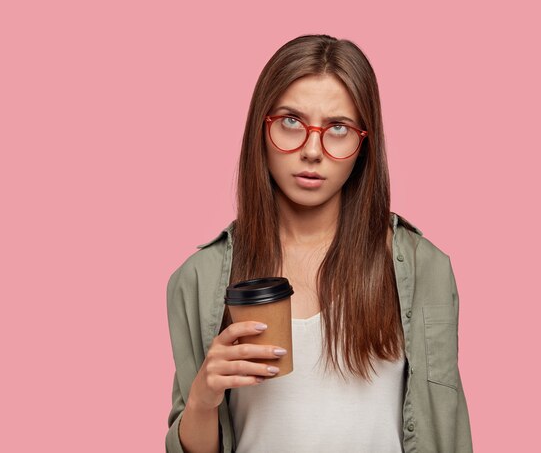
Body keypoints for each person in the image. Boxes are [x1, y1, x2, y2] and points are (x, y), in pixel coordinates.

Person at [166, 35, 473, 453]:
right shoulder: (199, 278)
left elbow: (447, 429)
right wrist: (203, 398)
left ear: (364, 143)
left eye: (338, 128)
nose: (312, 151)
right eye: (291, 121)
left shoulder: (423, 268)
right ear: (262, 125)